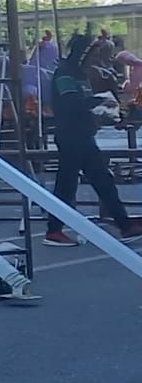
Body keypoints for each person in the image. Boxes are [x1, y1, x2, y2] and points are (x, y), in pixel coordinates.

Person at [44, 32, 142, 245]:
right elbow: (71, 105)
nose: (96, 61)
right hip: (71, 137)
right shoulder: (65, 75)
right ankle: (53, 229)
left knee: (102, 180)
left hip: (84, 135)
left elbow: (85, 106)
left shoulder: (80, 75)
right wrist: (98, 101)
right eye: (93, 56)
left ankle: (124, 224)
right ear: (82, 55)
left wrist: (109, 115)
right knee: (66, 185)